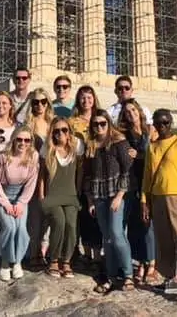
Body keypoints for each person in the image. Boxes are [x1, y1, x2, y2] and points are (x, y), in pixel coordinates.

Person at [141, 109, 177, 301]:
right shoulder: (152, 147)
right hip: (157, 197)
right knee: (164, 240)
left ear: (170, 123)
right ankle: (171, 278)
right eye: (158, 124)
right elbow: (147, 177)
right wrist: (144, 201)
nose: (162, 127)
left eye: (165, 123)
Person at [84, 109, 134, 294]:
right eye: (95, 124)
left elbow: (127, 170)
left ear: (108, 123)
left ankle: (128, 274)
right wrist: (90, 199)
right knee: (107, 237)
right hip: (98, 196)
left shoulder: (119, 142)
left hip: (116, 195)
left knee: (116, 233)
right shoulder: (91, 145)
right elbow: (88, 176)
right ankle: (111, 275)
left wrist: (120, 195)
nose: (99, 127)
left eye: (102, 123)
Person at [117, 99, 159, 284]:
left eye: (133, 110)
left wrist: (140, 155)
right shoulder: (124, 133)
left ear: (139, 110)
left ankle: (151, 263)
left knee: (148, 224)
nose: (131, 114)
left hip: (150, 181)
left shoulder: (151, 130)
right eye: (127, 112)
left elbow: (156, 153)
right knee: (135, 225)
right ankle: (140, 262)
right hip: (133, 182)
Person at [0, 127, 39, 281]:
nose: (23, 143)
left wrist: (20, 203)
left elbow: (31, 183)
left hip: (20, 197)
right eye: (19, 139)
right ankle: (5, 262)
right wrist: (5, 204)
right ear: (13, 139)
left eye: (27, 140)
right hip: (2, 196)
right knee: (9, 227)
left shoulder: (33, 156)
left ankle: (17, 261)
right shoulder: (3, 157)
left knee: (21, 228)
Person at [40, 117, 83, 278]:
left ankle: (66, 261)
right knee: (59, 221)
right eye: (56, 130)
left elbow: (81, 172)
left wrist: (77, 192)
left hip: (71, 195)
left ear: (69, 132)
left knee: (71, 225)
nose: (60, 133)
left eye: (64, 130)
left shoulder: (76, 147)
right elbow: (42, 176)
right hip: (52, 196)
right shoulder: (48, 149)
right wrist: (41, 196)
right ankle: (54, 259)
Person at [69, 85, 102, 264]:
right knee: (83, 212)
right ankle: (86, 253)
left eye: (89, 97)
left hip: (99, 170)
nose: (86, 101)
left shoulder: (101, 117)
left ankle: (97, 253)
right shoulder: (72, 121)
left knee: (96, 212)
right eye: (82, 97)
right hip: (78, 169)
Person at [24, 88, 54, 267]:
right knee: (35, 215)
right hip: (33, 173)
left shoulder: (52, 123)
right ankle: (34, 253)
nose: (40, 105)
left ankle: (45, 251)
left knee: (49, 216)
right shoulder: (27, 123)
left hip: (51, 173)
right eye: (36, 102)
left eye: (43, 102)